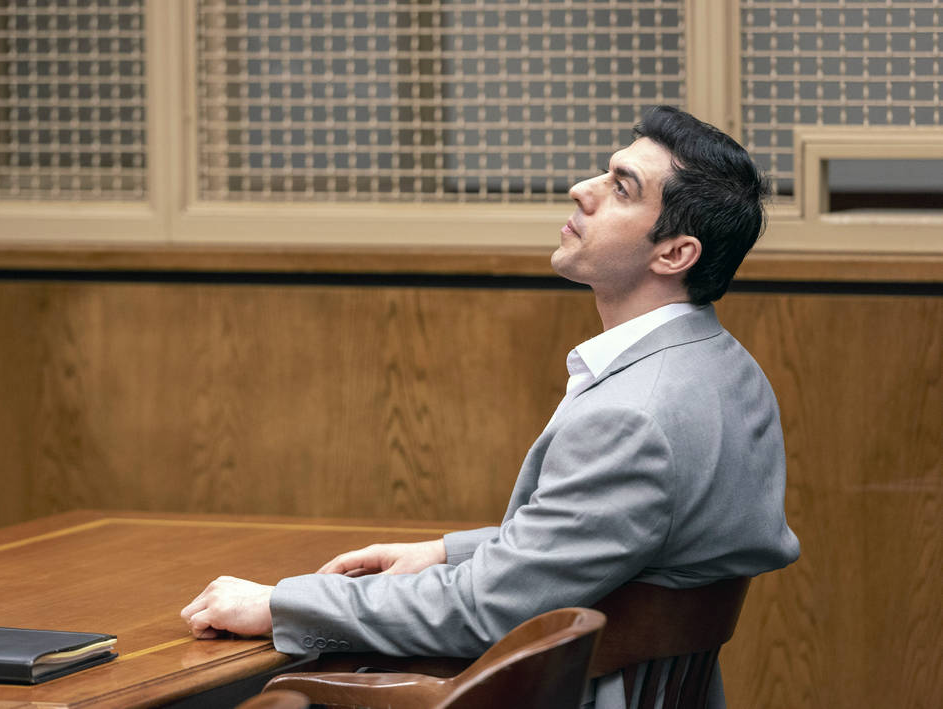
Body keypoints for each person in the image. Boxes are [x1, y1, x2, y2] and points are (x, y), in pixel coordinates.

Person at [180, 105, 800, 707]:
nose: (582, 190)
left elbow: (486, 610)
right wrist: (446, 552)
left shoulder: (634, 418)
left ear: (674, 254)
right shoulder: (724, 367)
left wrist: (282, 604)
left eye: (621, 188)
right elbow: (609, 536)